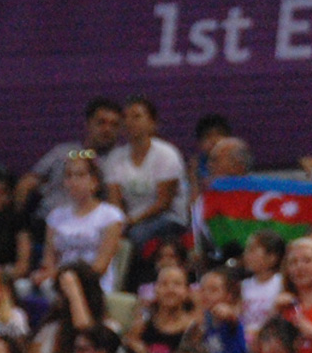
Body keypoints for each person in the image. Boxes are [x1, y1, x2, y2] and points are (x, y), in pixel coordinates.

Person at [102, 95, 188, 257]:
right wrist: (120, 223)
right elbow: (115, 201)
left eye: (137, 117)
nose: (129, 122)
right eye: (125, 118)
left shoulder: (167, 154)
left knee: (136, 237)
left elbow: (163, 202)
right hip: (130, 221)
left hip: (167, 218)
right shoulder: (115, 157)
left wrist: (132, 221)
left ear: (152, 123)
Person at [15, 97, 123, 225]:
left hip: (86, 226)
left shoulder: (118, 160)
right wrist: (19, 223)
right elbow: (28, 182)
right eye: (101, 122)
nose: (107, 129)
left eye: (114, 125)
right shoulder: (62, 152)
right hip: (47, 220)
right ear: (88, 124)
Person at [32, 151, 126, 292]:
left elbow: (100, 266)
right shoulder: (55, 216)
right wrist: (47, 274)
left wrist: (65, 277)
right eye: (69, 176)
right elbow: (49, 259)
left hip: (94, 285)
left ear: (94, 181)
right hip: (59, 282)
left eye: (80, 176)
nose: (73, 182)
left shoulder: (111, 216)